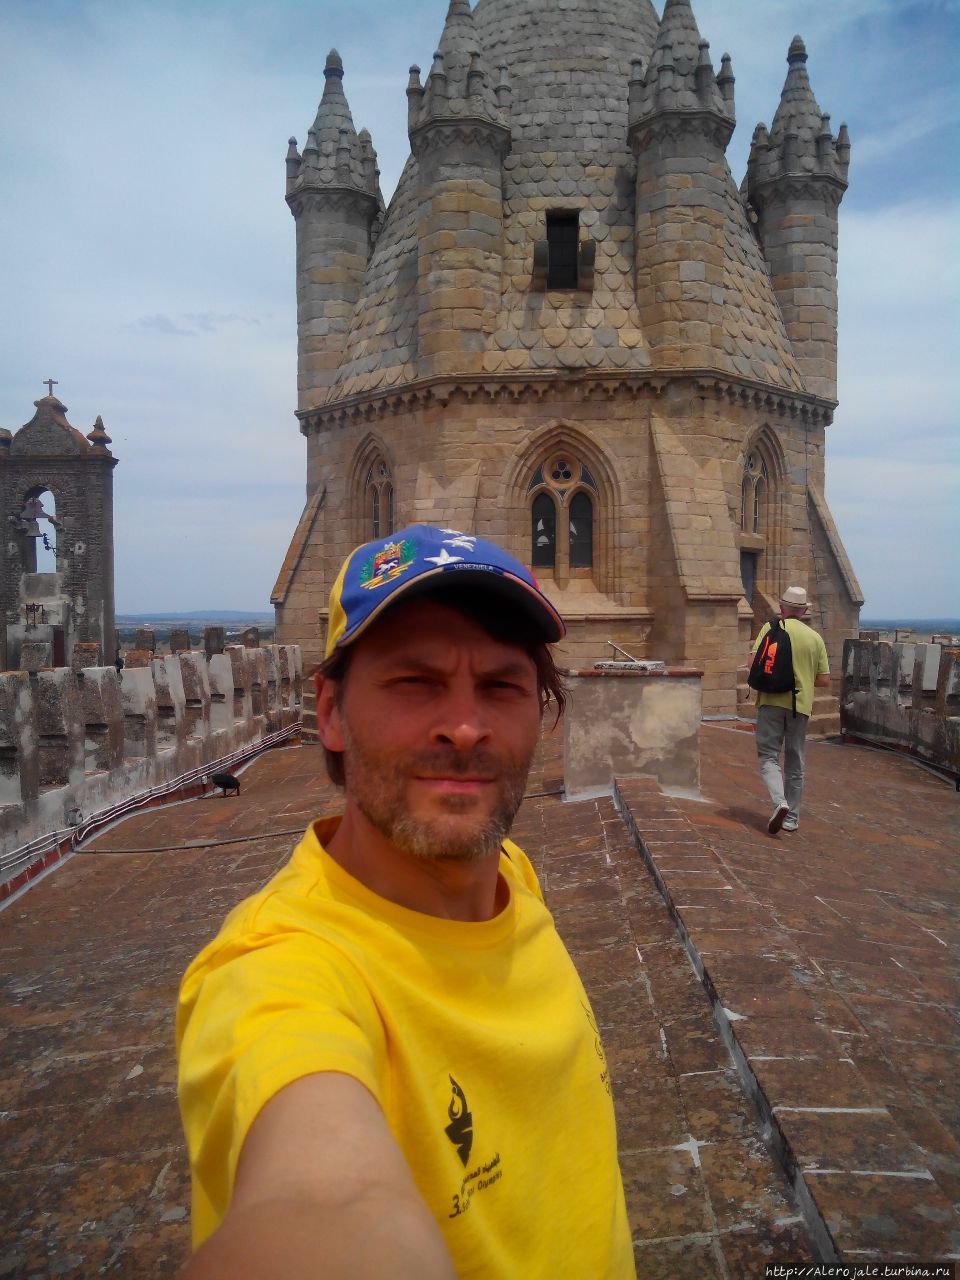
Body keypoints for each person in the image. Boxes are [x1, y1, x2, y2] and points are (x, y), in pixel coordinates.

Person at [176, 524, 636, 1280]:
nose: (464, 728)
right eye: (414, 682)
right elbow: (322, 1200)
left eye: (500, 686)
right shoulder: (278, 973)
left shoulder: (510, 878)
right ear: (328, 712)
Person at [750, 586, 830, 835]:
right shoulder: (815, 638)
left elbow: (753, 663)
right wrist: (803, 676)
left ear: (782, 608)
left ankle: (779, 802)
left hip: (771, 700)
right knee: (795, 760)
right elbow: (824, 679)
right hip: (800, 705)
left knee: (768, 756)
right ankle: (792, 818)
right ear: (804, 610)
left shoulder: (771, 629)